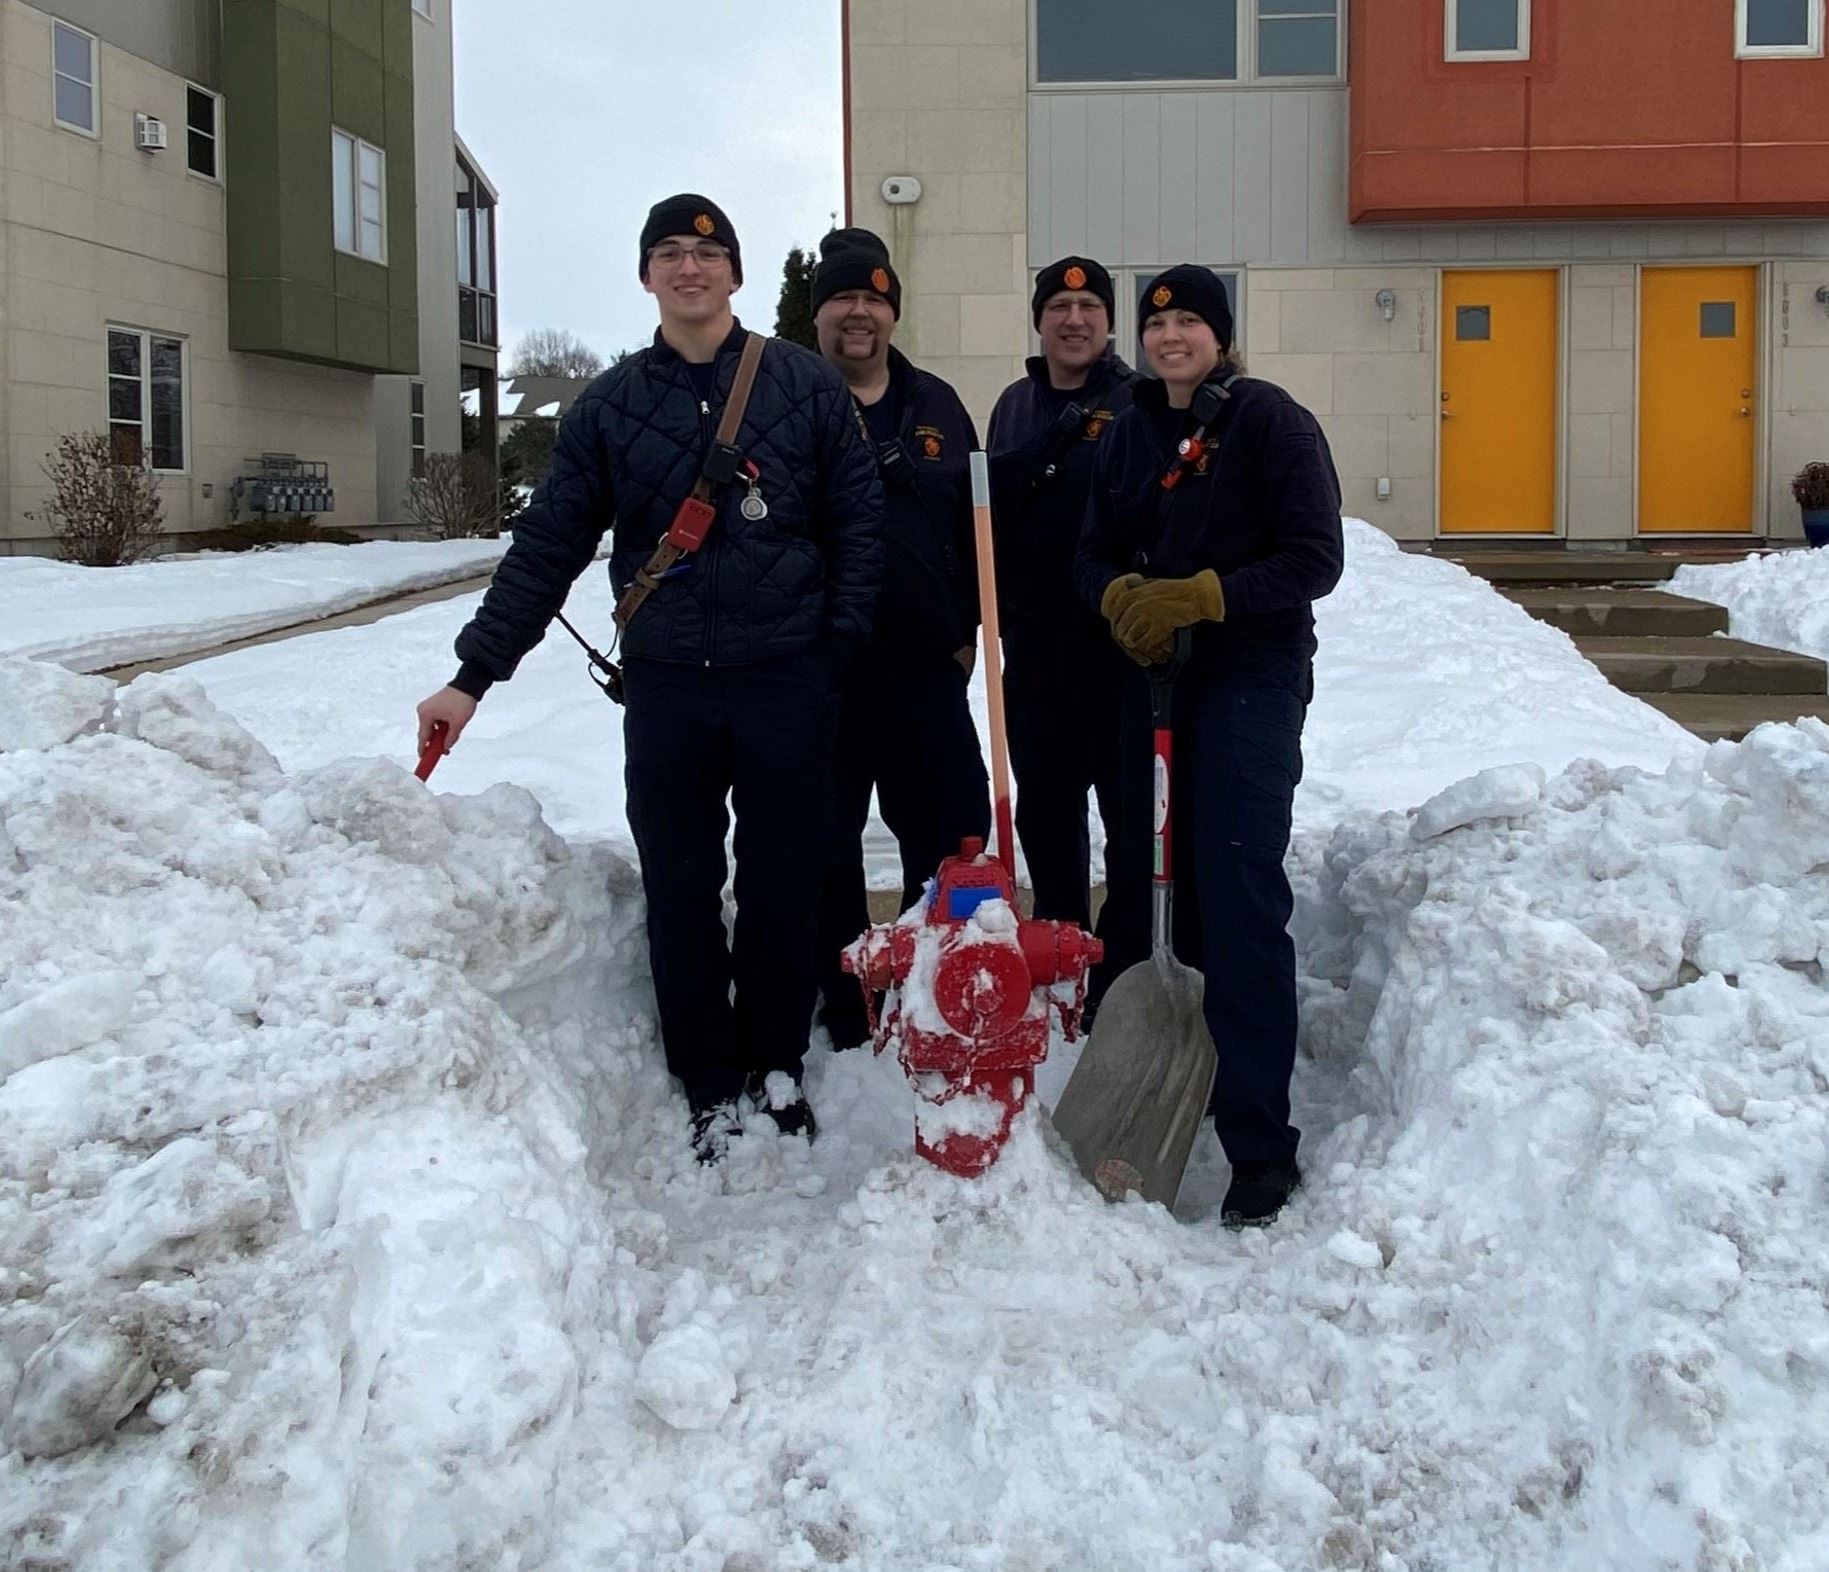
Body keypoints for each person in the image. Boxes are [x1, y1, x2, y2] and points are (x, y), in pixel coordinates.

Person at [414, 194, 883, 1160]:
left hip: (786, 680)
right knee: (678, 884)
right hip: (668, 686)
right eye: (669, 253)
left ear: (735, 274)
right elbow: (547, 546)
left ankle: (776, 1067)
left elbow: (858, 528)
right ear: (645, 276)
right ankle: (707, 1079)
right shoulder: (611, 404)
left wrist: (832, 649)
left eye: (706, 253)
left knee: (784, 883)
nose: (688, 268)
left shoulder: (801, 386)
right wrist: (472, 674)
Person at [1075, 264, 1343, 1227]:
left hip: (1249, 677)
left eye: (1189, 319)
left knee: (1235, 886)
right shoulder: (1127, 426)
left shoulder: (1271, 420)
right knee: (1154, 874)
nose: (1170, 335)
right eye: (1156, 321)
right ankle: (1160, 1082)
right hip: (1150, 680)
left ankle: (1260, 1144)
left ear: (1220, 334)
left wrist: (1207, 594)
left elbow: (1317, 557)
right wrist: (1114, 596)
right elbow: (1092, 547)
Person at [807, 227, 989, 1050]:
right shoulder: (791, 401)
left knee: (953, 832)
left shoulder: (938, 406)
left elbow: (974, 529)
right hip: (822, 673)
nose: (859, 312)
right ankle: (846, 1000)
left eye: (874, 298)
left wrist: (968, 632)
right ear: (817, 314)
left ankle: (941, 976)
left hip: (924, 669)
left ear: (892, 312)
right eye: (843, 296)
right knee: (822, 841)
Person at [985, 257, 1139, 997]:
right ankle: (1058, 947)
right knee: (1046, 810)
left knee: (1129, 808)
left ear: (1108, 322)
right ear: (1039, 318)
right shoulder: (1014, 405)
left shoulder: (1141, 402)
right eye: (1058, 306)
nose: (1072, 319)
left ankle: (1126, 959)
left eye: (1087, 306)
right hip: (1037, 647)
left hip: (1120, 651)